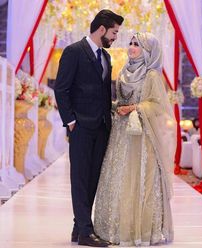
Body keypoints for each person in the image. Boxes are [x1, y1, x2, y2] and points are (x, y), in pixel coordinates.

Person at [94, 32, 176, 246]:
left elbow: (158, 106)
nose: (131, 47)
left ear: (148, 51)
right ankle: (115, 228)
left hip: (142, 138)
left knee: (139, 179)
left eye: (137, 45)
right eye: (130, 43)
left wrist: (134, 108)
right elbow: (120, 99)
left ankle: (139, 230)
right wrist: (114, 106)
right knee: (118, 176)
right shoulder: (122, 71)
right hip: (121, 134)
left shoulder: (151, 76)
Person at [54, 9, 124, 247]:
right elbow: (61, 89)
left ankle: (79, 226)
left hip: (103, 126)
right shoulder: (74, 51)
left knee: (93, 177)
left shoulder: (106, 57)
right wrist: (71, 121)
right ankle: (85, 231)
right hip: (81, 127)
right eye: (114, 32)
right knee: (80, 178)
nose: (115, 37)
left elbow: (104, 93)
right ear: (102, 29)